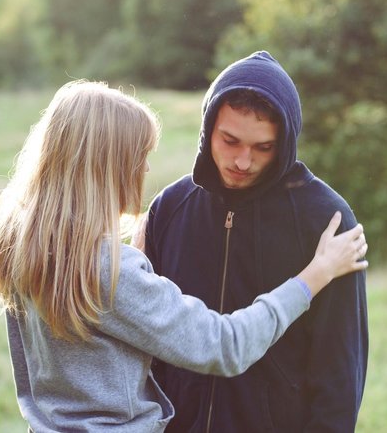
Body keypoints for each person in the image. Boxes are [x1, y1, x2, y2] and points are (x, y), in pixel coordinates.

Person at [0, 80, 369, 432]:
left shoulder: (22, 248)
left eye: (262, 147)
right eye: (139, 155)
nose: (146, 167)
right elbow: (224, 345)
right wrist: (314, 276)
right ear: (107, 166)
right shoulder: (111, 266)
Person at [141, 51, 369, 432]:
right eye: (230, 140)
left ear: (285, 142)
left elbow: (340, 370)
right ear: (207, 129)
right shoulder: (170, 207)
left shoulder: (326, 220)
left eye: (263, 147)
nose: (243, 161)